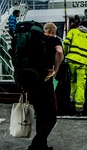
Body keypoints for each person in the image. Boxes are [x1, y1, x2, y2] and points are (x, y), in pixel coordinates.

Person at [25, 22, 64, 150]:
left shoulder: (35, 40)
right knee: (51, 117)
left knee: (41, 115)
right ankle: (35, 145)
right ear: (53, 31)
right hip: (44, 78)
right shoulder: (54, 40)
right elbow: (59, 52)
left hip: (30, 79)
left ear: (44, 30)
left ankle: (42, 146)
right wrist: (56, 69)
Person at [63, 20, 87, 116]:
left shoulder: (73, 31)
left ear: (79, 25)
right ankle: (79, 107)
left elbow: (66, 42)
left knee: (72, 80)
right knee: (81, 84)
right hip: (82, 63)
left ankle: (71, 99)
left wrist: (64, 54)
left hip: (71, 60)